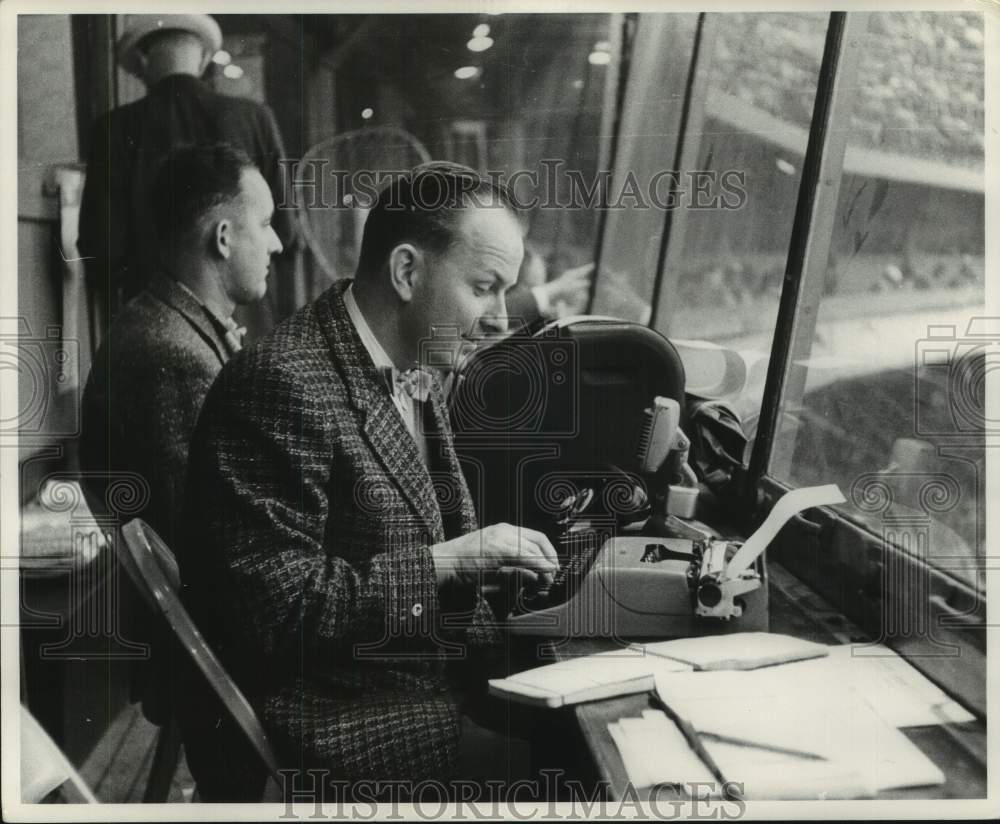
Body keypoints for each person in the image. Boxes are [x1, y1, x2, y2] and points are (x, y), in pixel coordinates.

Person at [180, 161, 559, 800]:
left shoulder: (411, 355)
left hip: (406, 677)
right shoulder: (278, 384)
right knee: (567, 768)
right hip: (334, 718)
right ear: (407, 272)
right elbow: (282, 615)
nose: (500, 316)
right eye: (484, 287)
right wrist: (451, 561)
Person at [79, 144, 283, 722]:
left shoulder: (169, 325)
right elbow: (219, 544)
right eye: (265, 225)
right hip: (217, 666)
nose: (277, 243)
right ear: (222, 238)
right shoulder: (171, 354)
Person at [77, 14, 296, 337]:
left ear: (142, 59)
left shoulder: (114, 130)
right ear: (205, 57)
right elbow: (286, 233)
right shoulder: (255, 118)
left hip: (156, 325)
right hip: (249, 328)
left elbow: (101, 249)